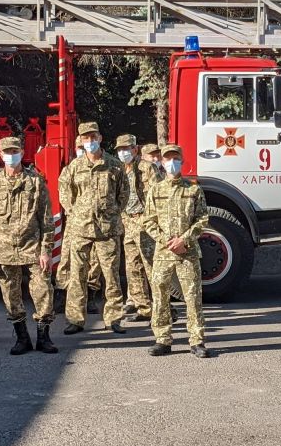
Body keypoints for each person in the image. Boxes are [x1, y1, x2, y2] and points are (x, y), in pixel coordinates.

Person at [0, 136, 59, 355]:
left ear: (22, 153)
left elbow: (46, 219)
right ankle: (22, 337)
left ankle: (44, 337)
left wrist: (46, 250)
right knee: (10, 294)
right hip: (4, 249)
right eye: (7, 151)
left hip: (32, 246)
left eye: (15, 151)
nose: (11, 155)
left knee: (43, 290)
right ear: (1, 155)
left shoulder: (35, 182)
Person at [59, 121, 128, 334]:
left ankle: (113, 318)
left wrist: (112, 213)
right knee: (77, 274)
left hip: (107, 230)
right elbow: (65, 193)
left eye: (93, 137)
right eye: (85, 138)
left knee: (111, 275)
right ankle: (76, 319)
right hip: (81, 229)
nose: (90, 141)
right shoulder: (74, 167)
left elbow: (123, 195)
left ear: (100, 137)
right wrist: (76, 213)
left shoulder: (114, 165)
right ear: (81, 141)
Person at [143, 144, 211, 358]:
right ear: (161, 163)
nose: (171, 162)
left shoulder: (193, 189)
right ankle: (163, 339)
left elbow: (202, 219)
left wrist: (185, 239)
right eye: (167, 159)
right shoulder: (155, 190)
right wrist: (166, 240)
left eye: (175, 158)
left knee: (192, 296)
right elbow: (148, 220)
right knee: (160, 295)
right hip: (163, 253)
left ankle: (197, 340)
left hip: (187, 252)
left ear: (181, 160)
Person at [117, 133, 158, 322]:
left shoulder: (146, 168)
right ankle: (144, 308)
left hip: (144, 221)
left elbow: (156, 195)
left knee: (151, 266)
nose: (124, 152)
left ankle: (161, 308)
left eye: (127, 149)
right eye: (120, 150)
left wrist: (152, 220)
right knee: (133, 267)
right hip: (128, 221)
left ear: (135, 149)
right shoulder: (119, 170)